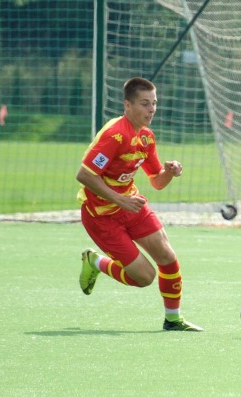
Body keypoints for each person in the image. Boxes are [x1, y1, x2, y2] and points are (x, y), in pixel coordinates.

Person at [76, 77, 203, 332]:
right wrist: (121, 199)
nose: (151, 109)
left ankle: (173, 319)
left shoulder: (146, 137)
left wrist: (170, 172)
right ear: (127, 105)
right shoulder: (115, 135)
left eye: (154, 103)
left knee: (167, 257)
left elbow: (156, 181)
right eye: (145, 104)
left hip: (131, 206)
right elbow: (85, 175)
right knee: (144, 277)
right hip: (101, 216)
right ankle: (96, 263)